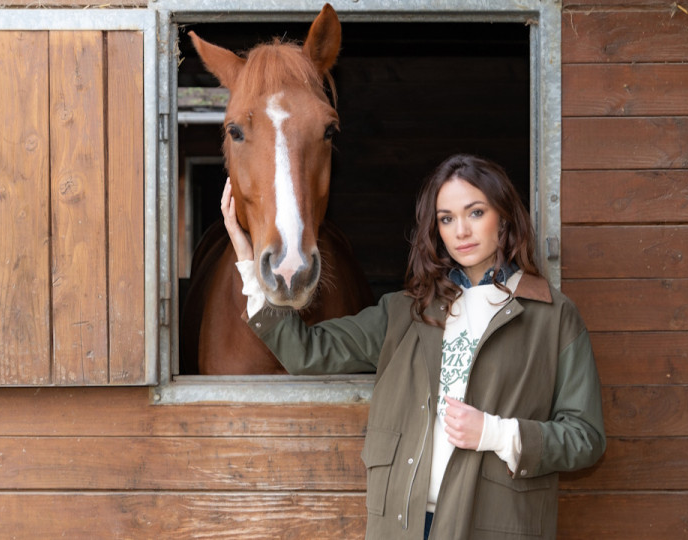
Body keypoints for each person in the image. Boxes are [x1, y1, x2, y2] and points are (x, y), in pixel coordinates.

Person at [222, 154, 606, 540]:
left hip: (493, 526)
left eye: (475, 212)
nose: (461, 231)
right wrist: (247, 258)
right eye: (446, 218)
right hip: (403, 525)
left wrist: (496, 433)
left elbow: (585, 438)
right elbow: (306, 351)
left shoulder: (552, 316)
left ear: (503, 217)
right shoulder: (406, 310)